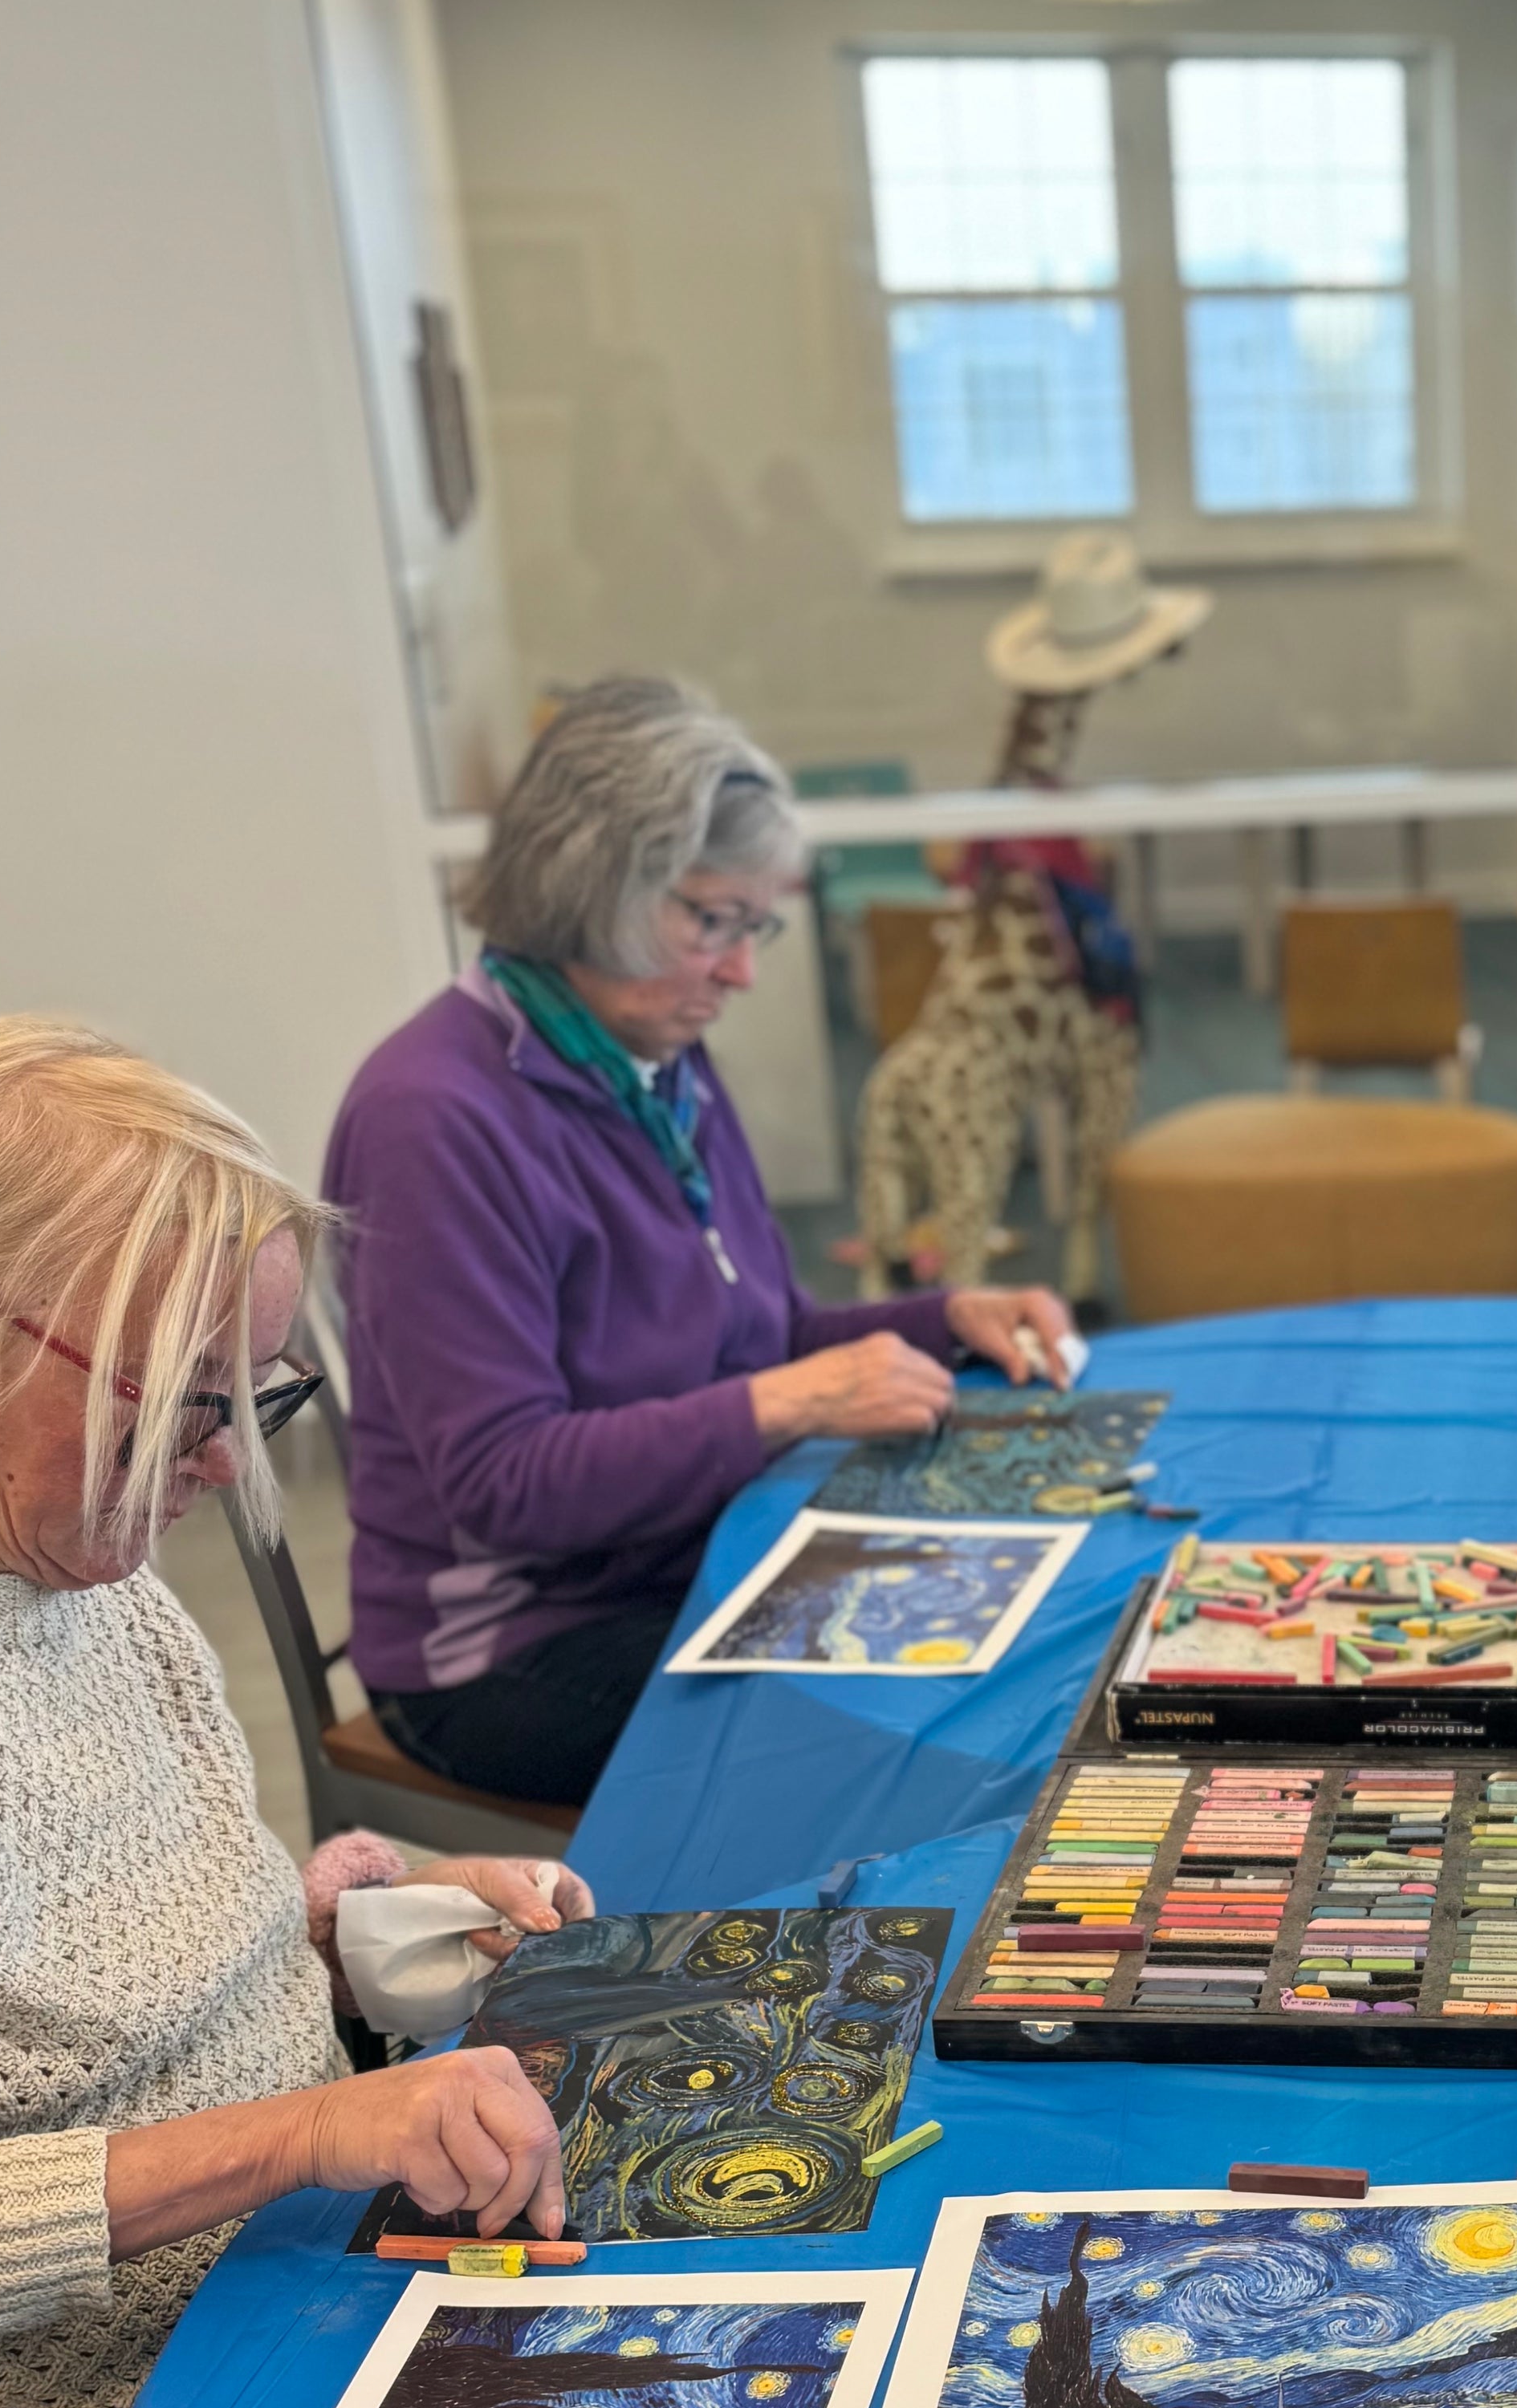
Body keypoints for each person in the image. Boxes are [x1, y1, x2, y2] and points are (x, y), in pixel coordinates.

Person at [0, 1018, 588, 2408]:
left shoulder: (86, 1580)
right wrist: (309, 2131)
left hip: (263, 2315)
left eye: (255, 1396)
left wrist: (365, 1928)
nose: (229, 1467)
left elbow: (104, 1983)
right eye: (181, 1397)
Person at [325, 679, 1076, 1811]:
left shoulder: (649, 1051)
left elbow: (757, 1335)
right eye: (711, 922)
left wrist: (941, 1320)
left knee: (1034, 1631)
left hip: (681, 1564)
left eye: (751, 925)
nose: (741, 971)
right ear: (593, 889)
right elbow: (503, 1484)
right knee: (929, 1727)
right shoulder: (432, 1117)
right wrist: (793, 1400)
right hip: (509, 1654)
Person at [855, 528, 1210, 1308]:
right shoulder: (1027, 821)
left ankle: (1058, 1267)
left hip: (953, 1027)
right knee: (1109, 1041)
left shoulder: (1013, 818)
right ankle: (1070, 1260)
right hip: (983, 1044)